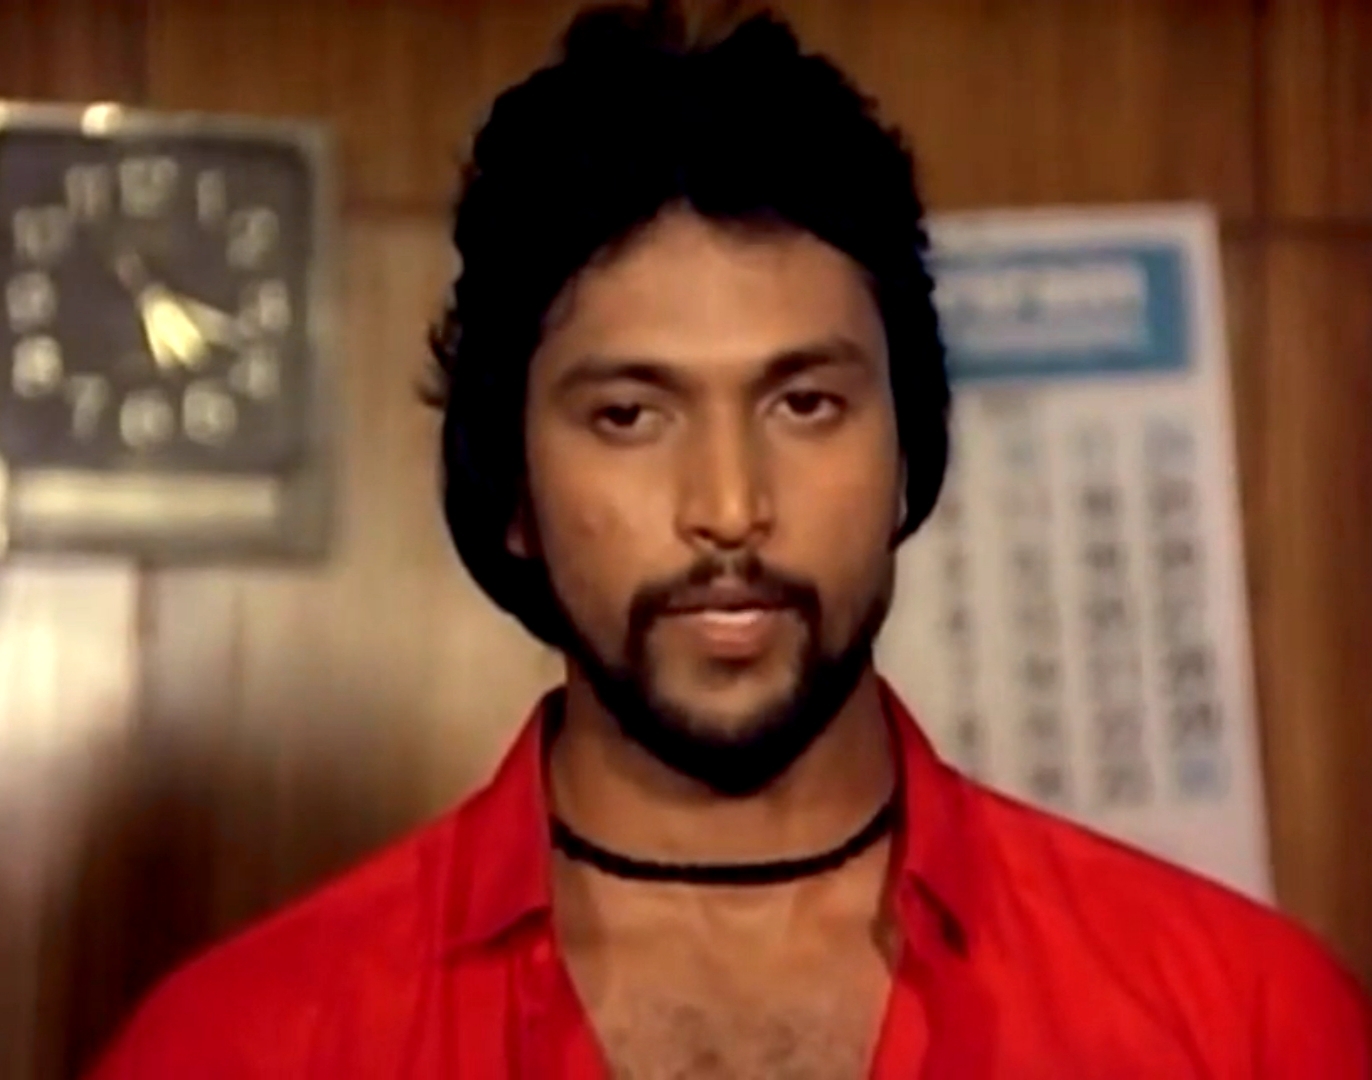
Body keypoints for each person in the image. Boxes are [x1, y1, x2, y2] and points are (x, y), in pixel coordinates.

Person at [89, 3, 1370, 1078]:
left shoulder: (1242, 1022)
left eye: (804, 405)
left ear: (907, 450)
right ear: (513, 488)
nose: (728, 504)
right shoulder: (244, 1045)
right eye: (628, 414)